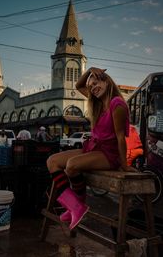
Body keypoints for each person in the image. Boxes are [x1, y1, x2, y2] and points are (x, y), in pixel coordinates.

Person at [47, 67, 136, 230]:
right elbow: (78, 86)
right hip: (93, 148)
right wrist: (89, 71)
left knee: (72, 165)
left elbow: (120, 137)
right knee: (52, 161)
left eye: (96, 83)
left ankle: (77, 206)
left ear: (106, 80)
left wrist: (124, 165)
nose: (94, 88)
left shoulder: (117, 104)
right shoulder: (99, 103)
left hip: (109, 154)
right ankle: (75, 206)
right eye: (91, 87)